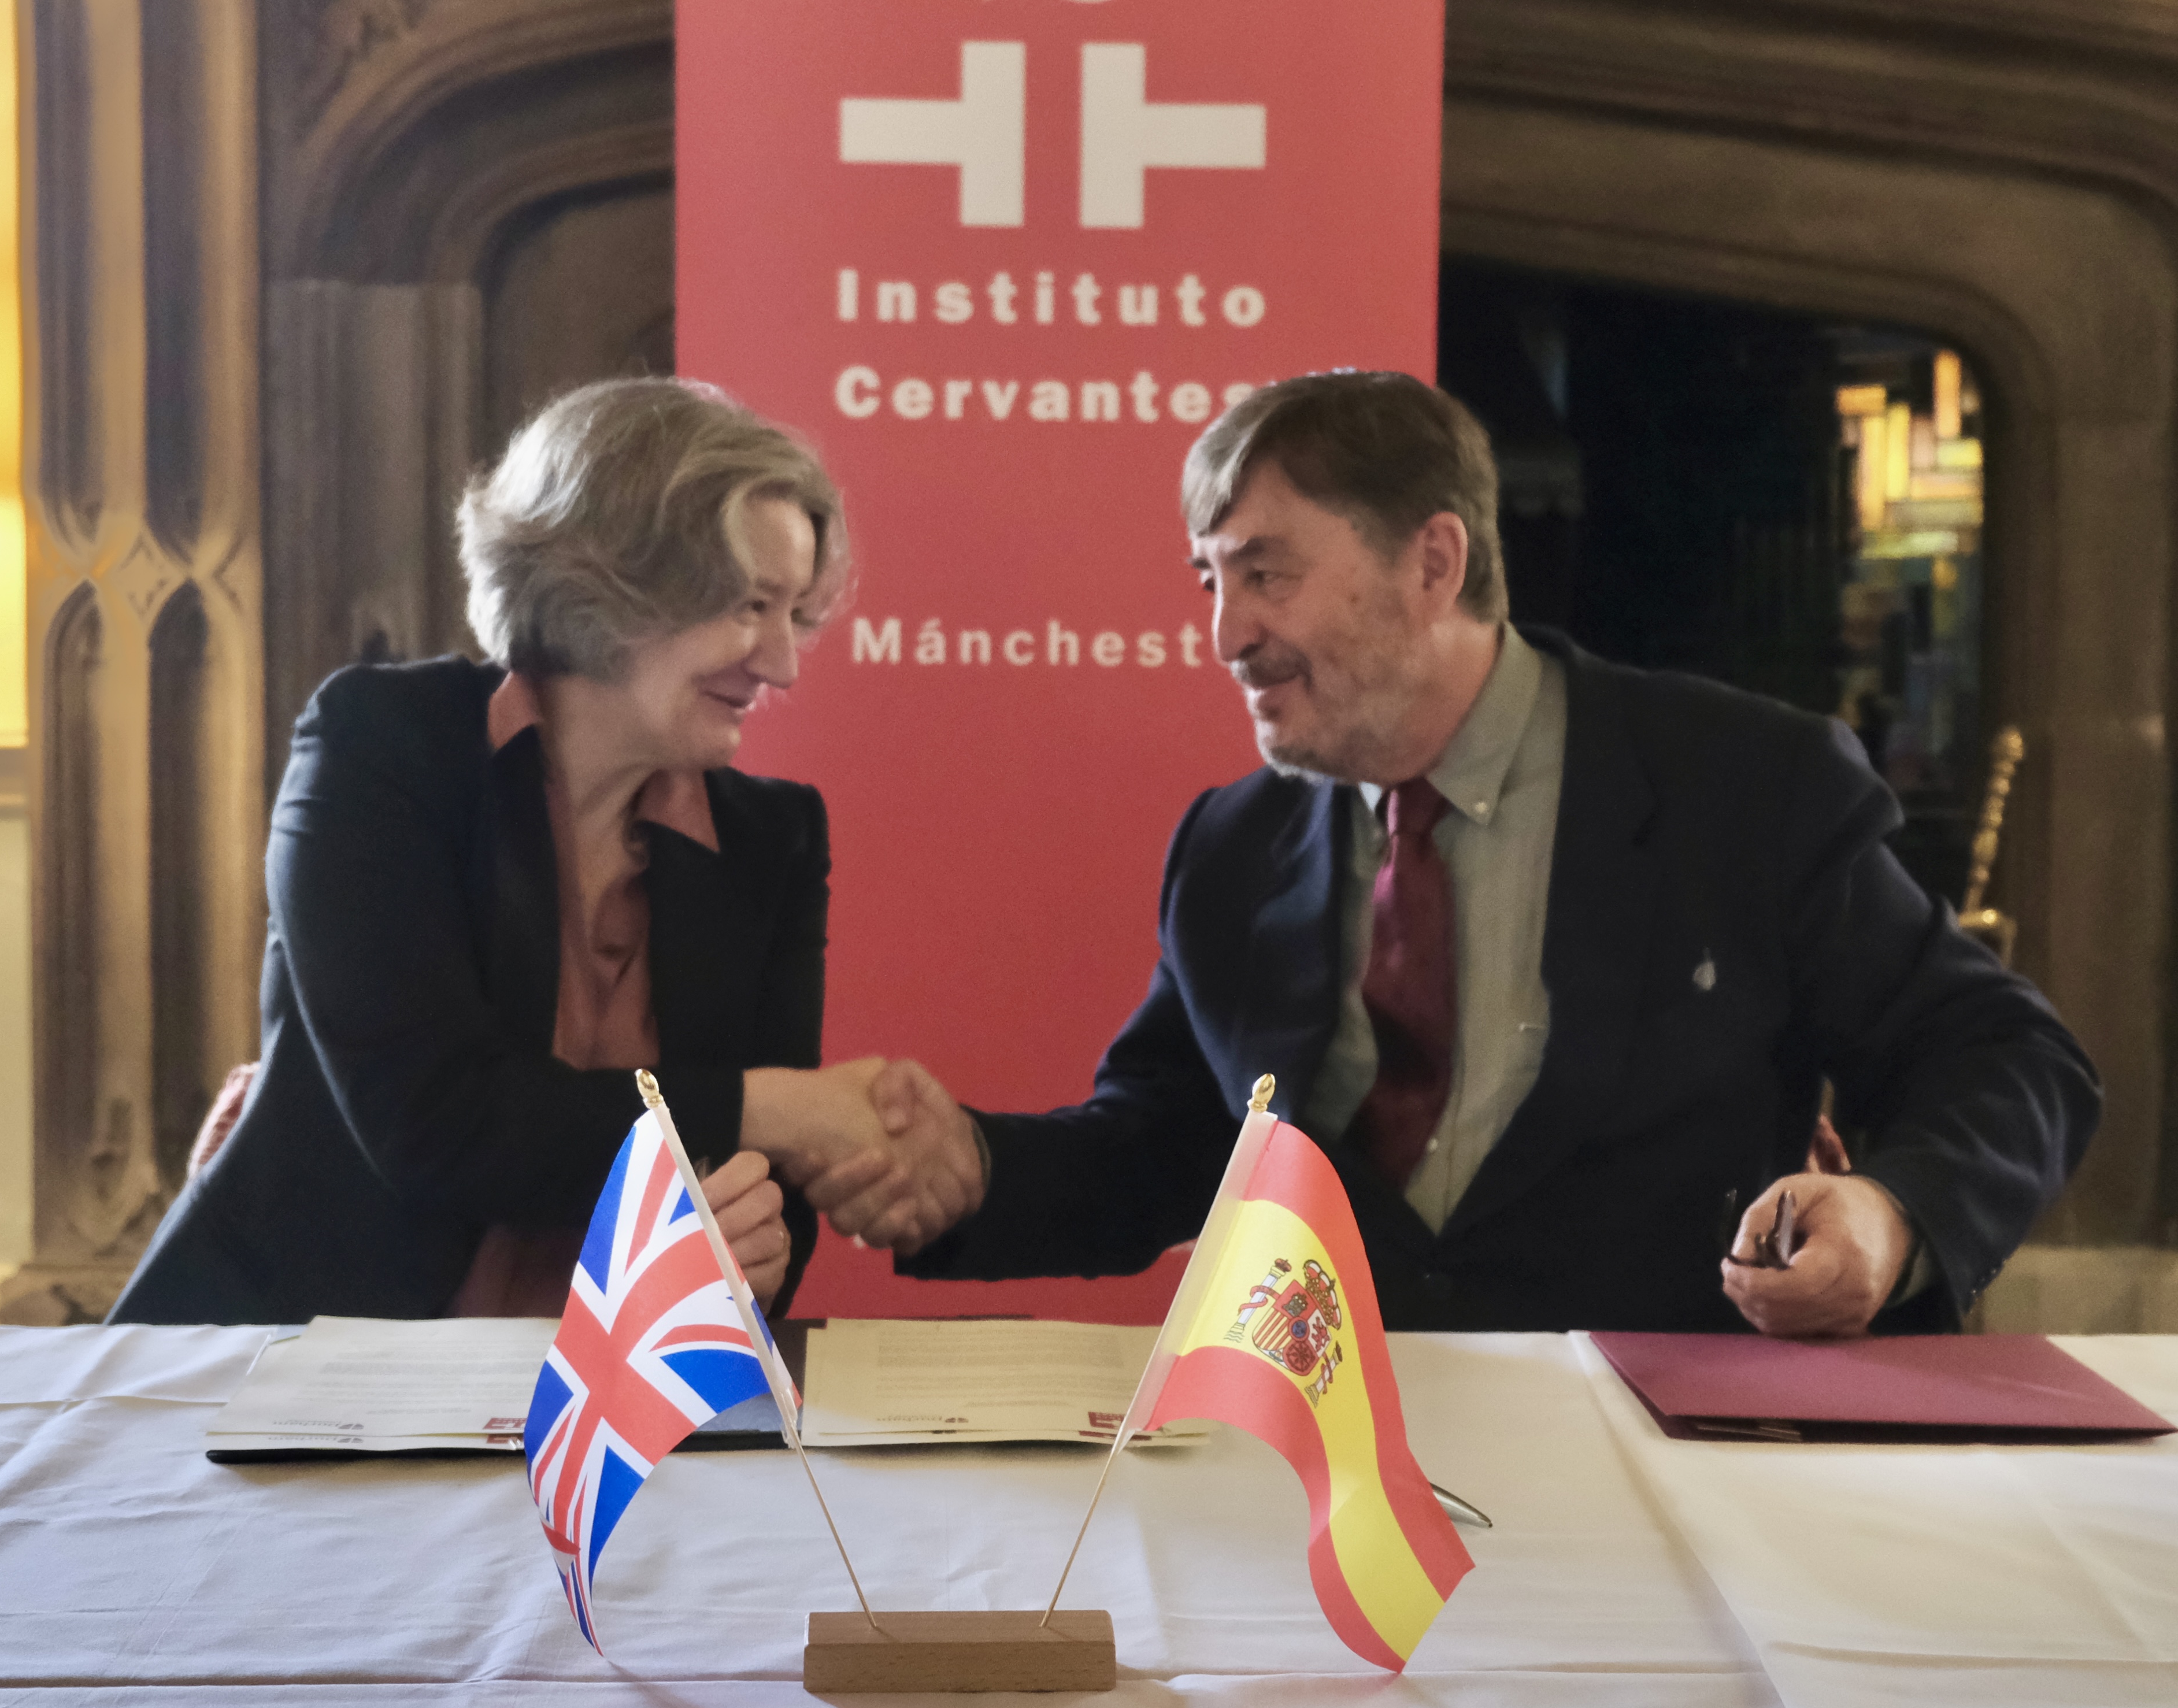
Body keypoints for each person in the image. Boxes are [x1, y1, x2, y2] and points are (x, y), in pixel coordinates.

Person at [788, 370, 2100, 1337]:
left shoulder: (1741, 787)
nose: (1223, 634)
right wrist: (972, 1170)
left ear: (1432, 562)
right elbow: (1169, 1146)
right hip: (1339, 1489)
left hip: (1677, 1465)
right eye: (1209, 582)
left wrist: (1888, 1211)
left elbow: (2005, 1057)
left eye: (1267, 574)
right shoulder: (1235, 849)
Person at [110, 378, 891, 1325]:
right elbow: (440, 1124)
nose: (781, 662)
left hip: (610, 1404)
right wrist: (770, 1107)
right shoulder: (383, 748)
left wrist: (756, 1249)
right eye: (748, 606)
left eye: (794, 616)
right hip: (287, 1379)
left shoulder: (772, 838)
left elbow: (766, 1202)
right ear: (612, 581)